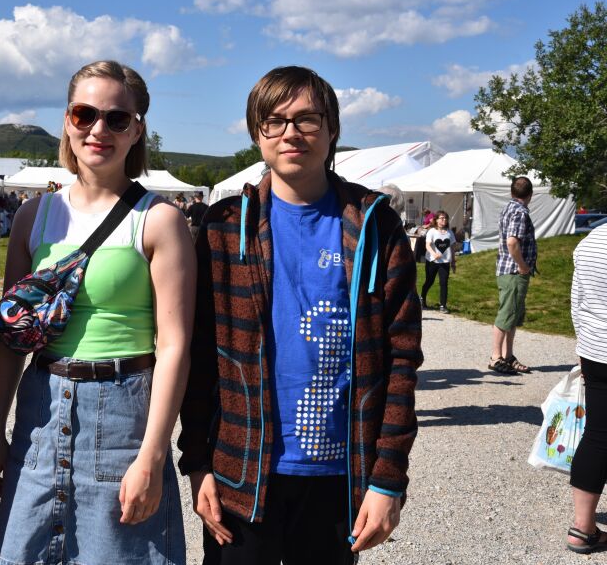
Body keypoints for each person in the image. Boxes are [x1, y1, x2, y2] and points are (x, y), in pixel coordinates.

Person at [178, 66, 423, 564]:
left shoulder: (374, 225)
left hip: (340, 476)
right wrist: (197, 461)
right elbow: (202, 357)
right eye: (275, 120)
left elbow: (401, 362)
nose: (291, 132)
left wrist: (388, 479)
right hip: (242, 471)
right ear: (257, 133)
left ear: (332, 130)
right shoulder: (224, 228)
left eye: (307, 119)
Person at [0, 60, 193, 565]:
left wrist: (153, 454)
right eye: (85, 114)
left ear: (136, 129)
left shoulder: (160, 220)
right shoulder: (33, 216)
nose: (98, 129)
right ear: (67, 121)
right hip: (42, 408)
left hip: (123, 417)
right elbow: (13, 336)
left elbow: (174, 346)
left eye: (117, 119)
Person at [565, 206, 607, 554]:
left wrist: (583, 345)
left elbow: (578, 301)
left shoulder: (591, 240)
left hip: (596, 351)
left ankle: (582, 529)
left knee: (598, 436)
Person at [488, 176, 536, 375]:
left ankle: (508, 356)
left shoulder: (508, 208)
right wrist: (523, 266)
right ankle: (496, 357)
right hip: (514, 271)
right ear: (530, 194)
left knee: (513, 315)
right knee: (507, 314)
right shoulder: (519, 212)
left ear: (512, 192)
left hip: (509, 270)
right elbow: (512, 242)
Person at [420, 210, 456, 313]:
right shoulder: (432, 231)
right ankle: (422, 298)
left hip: (445, 262)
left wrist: (453, 261)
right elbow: (427, 245)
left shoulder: (450, 232)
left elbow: (453, 247)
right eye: (442, 218)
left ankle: (443, 306)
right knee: (429, 281)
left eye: (445, 218)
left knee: (444, 283)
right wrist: (433, 254)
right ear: (436, 220)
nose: (444, 220)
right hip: (432, 261)